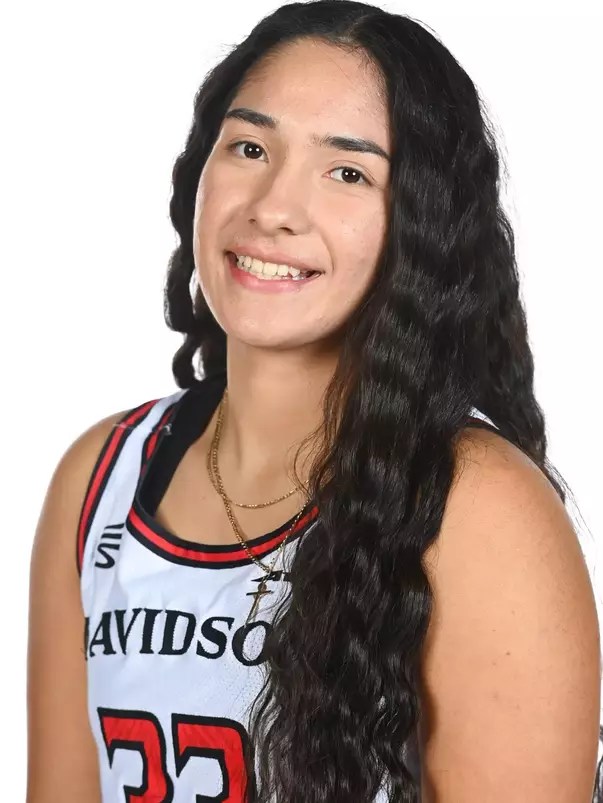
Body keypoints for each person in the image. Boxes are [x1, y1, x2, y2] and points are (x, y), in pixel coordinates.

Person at [26, 1, 602, 801]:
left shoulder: (476, 505)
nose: (272, 208)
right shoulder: (100, 479)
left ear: (417, 224)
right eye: (250, 147)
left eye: (347, 171)